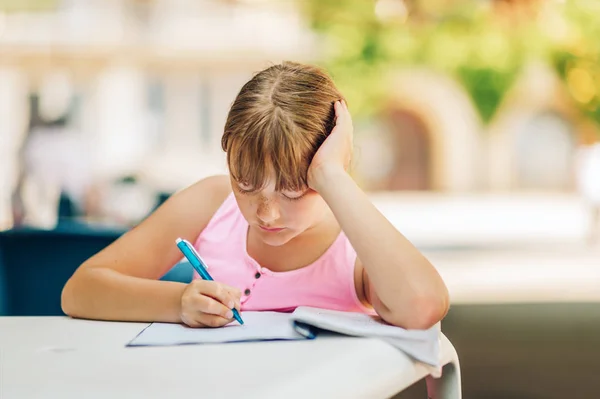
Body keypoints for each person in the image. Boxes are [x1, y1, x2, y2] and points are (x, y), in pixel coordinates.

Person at [61, 62, 449, 329]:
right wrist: (177, 304)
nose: (267, 214)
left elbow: (423, 308)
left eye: (294, 191)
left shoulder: (356, 247)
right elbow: (80, 290)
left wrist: (333, 175)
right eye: (245, 185)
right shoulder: (211, 203)